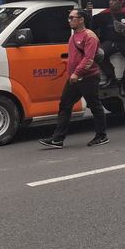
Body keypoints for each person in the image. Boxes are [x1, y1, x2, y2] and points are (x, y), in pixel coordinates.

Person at [39, 8, 107, 148]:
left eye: (72, 18)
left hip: (88, 77)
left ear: (81, 19)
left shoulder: (90, 36)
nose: (69, 20)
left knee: (95, 106)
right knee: (65, 105)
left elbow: (88, 59)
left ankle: (101, 136)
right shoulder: (73, 36)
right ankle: (57, 139)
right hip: (74, 78)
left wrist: (77, 72)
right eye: (69, 18)